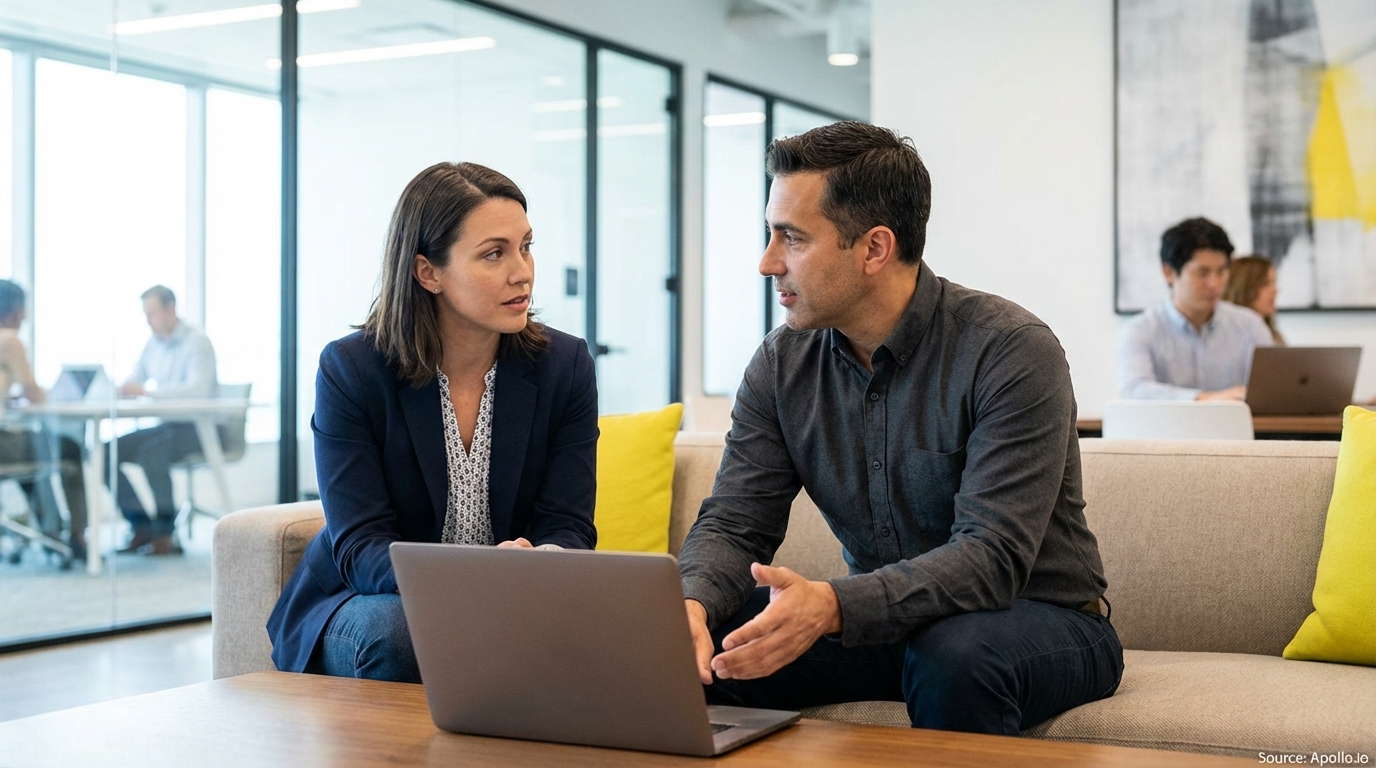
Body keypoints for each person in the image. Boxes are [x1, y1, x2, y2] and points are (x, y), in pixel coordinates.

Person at [676, 122, 1121, 736]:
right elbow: (734, 521)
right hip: (883, 624)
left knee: (956, 654)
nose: (767, 262)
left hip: (1036, 619)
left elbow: (990, 559)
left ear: (874, 249)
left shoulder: (1011, 350)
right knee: (692, 644)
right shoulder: (782, 365)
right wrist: (691, 604)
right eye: (770, 234)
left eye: (793, 238)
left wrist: (833, 605)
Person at [266, 162, 599, 683]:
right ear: (428, 272)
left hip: (514, 597)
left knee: (609, 631)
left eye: (526, 246)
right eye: (494, 253)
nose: (523, 272)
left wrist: (540, 561)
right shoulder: (351, 370)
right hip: (371, 601)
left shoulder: (565, 366)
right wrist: (471, 584)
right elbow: (361, 544)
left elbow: (570, 523)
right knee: (403, 634)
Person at [112, 285, 218, 555]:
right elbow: (135, 378)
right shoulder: (153, 344)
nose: (148, 320)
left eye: (152, 313)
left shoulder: (197, 342)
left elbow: (199, 392)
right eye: (146, 315)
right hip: (165, 426)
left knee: (152, 453)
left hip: (196, 428)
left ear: (170, 309)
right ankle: (141, 526)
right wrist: (123, 389)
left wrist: (147, 392)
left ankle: (164, 534)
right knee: (106, 451)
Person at [1117, 218, 1273, 400]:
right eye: (1202, 273)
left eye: (1221, 271)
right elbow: (1135, 390)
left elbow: (1271, 390)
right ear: (1169, 273)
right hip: (1167, 428)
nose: (1214, 284)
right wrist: (1205, 399)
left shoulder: (1250, 326)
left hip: (1236, 428)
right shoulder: (1141, 330)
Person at [0, 280, 88, 564]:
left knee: (38, 446)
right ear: (17, 312)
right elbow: (34, 395)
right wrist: (55, 395)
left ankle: (51, 531)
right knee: (68, 448)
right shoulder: (9, 340)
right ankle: (75, 536)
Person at [1224, 255, 1283, 345]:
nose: (1275, 291)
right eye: (1265, 284)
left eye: (1274, 283)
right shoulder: (1227, 337)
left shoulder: (1274, 336)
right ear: (1245, 289)